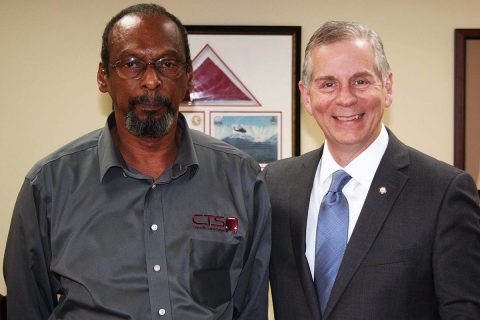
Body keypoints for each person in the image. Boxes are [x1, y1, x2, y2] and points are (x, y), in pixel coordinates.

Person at [3, 4, 271, 319]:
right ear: (103, 77)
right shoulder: (49, 184)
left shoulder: (241, 178)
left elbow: (250, 305)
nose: (151, 81)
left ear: (189, 77)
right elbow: (26, 308)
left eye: (167, 63)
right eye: (131, 63)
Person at [262, 20, 480, 319]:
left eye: (361, 81)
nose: (346, 98)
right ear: (307, 97)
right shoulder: (275, 184)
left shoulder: (443, 191)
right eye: (328, 84)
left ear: (387, 87)